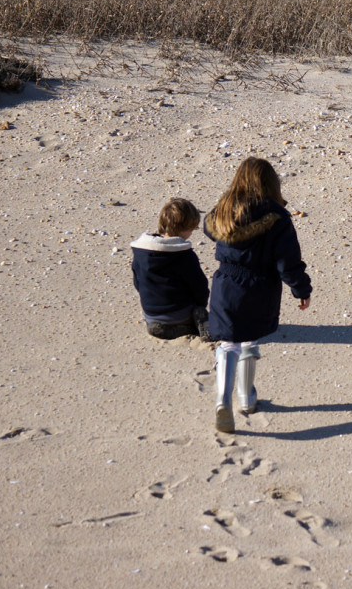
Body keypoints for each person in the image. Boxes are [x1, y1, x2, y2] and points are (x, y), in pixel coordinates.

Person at [204, 157, 312, 432]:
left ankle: (221, 400)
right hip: (259, 284)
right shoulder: (276, 217)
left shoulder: (223, 211)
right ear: (270, 183)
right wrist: (301, 288)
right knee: (249, 340)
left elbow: (208, 229)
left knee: (227, 343)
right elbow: (287, 261)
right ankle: (246, 398)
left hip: (225, 282)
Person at [131, 198, 210, 340]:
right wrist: (200, 305)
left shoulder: (141, 251)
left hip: (152, 313)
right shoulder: (183, 255)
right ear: (184, 230)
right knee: (200, 313)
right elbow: (199, 286)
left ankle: (161, 326)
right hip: (180, 312)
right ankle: (190, 327)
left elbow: (138, 283)